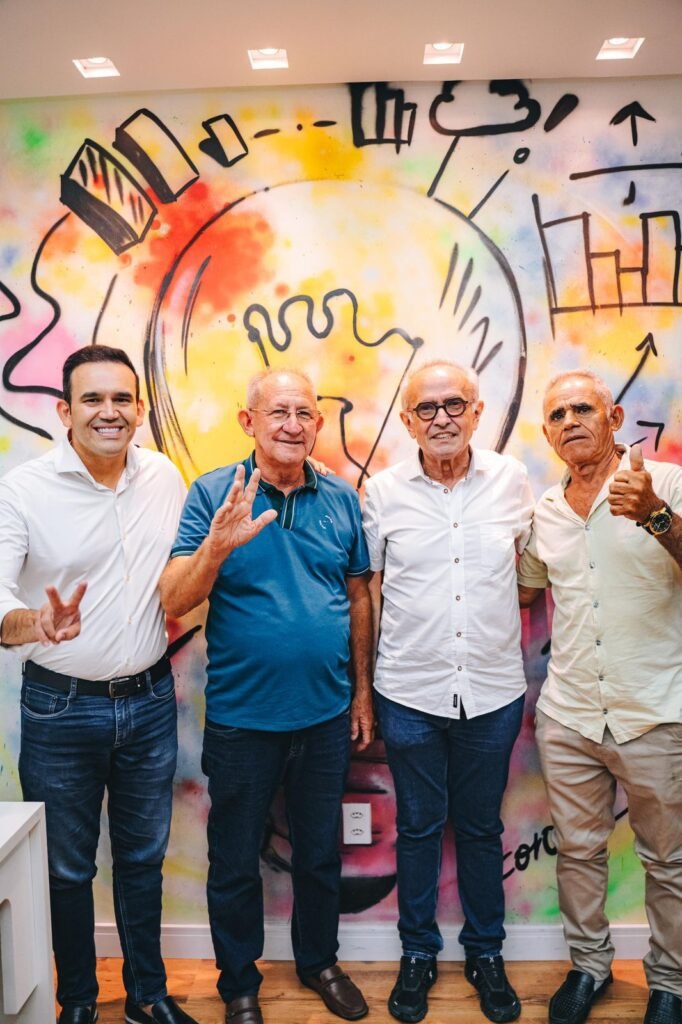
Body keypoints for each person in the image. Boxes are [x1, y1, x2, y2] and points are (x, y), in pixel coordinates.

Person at [159, 368, 373, 1024]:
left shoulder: (341, 498)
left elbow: (359, 596)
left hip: (326, 714)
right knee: (233, 859)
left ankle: (319, 962)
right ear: (247, 422)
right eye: (278, 412)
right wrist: (216, 548)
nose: (292, 424)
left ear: (318, 424)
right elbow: (175, 598)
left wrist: (362, 695)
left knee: (319, 852)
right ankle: (238, 984)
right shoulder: (213, 494)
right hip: (242, 720)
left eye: (304, 413)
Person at [0, 346, 200, 1024]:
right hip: (59, 709)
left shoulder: (163, 476)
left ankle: (147, 995)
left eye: (121, 399)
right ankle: (79, 1001)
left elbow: (180, 577)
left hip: (150, 702)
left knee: (143, 860)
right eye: (92, 399)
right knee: (66, 869)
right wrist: (34, 622)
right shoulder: (24, 490)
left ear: (139, 410)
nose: (108, 412)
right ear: (65, 411)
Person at [362, 360, 534, 1024]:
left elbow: (530, 575)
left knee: (482, 828)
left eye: (454, 404)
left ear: (477, 411)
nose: (442, 418)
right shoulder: (383, 492)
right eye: (427, 409)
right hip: (409, 690)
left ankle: (486, 953)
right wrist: (364, 692)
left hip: (493, 690)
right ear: (407, 421)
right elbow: (369, 592)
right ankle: (418, 954)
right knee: (418, 828)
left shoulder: (511, 481)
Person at [517, 370, 682, 1024]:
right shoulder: (546, 512)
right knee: (579, 853)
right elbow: (527, 587)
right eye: (557, 416)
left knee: (668, 861)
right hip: (570, 715)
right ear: (548, 434)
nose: (570, 422)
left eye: (582, 408)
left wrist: (656, 516)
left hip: (655, 711)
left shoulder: (665, 484)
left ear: (613, 418)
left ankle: (670, 982)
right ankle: (589, 968)